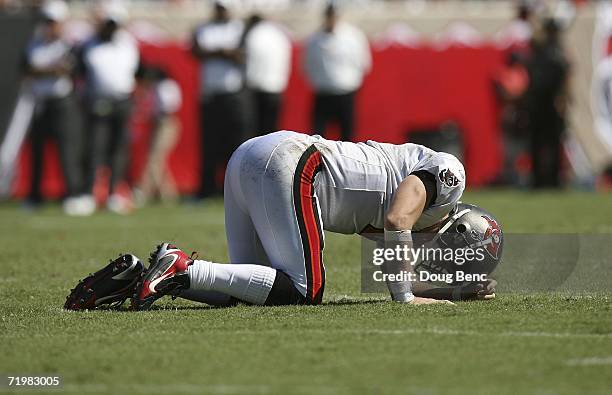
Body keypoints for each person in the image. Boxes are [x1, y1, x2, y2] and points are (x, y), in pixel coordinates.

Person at [78, 0, 139, 214]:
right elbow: (82, 74)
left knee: (118, 150)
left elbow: (133, 73)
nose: (111, 28)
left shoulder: (128, 43)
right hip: (98, 101)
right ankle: (88, 194)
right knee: (95, 148)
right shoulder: (89, 44)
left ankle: (114, 194)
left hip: (122, 101)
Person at [23, 0, 84, 214]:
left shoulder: (68, 44)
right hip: (40, 102)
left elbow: (67, 69)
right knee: (37, 151)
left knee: (66, 150)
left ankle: (72, 194)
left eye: (53, 22)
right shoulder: (34, 43)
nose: (49, 26)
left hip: (62, 103)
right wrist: (50, 69)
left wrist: (41, 70)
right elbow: (27, 70)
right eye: (47, 22)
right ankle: (34, 196)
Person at [192, 0, 252, 198]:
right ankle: (208, 189)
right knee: (209, 144)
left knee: (235, 145)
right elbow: (196, 51)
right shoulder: (203, 28)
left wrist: (215, 52)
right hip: (210, 94)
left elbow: (241, 55)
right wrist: (223, 52)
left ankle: (235, 190)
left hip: (233, 94)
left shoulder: (239, 29)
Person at [304, 3, 371, 141]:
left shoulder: (353, 36)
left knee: (347, 138)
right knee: (318, 138)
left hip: (346, 93)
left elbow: (363, 64)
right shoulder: (314, 39)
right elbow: (307, 65)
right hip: (323, 93)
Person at [524, 19, 570, 188]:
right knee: (538, 143)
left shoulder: (556, 53)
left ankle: (553, 180)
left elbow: (565, 79)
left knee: (553, 144)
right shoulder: (541, 51)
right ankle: (539, 180)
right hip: (539, 103)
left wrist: (562, 99)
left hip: (550, 103)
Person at [242, 14, 291, 135]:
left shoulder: (254, 34)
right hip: (276, 87)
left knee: (255, 131)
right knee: (271, 131)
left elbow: (249, 61)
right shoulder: (278, 34)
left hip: (256, 89)